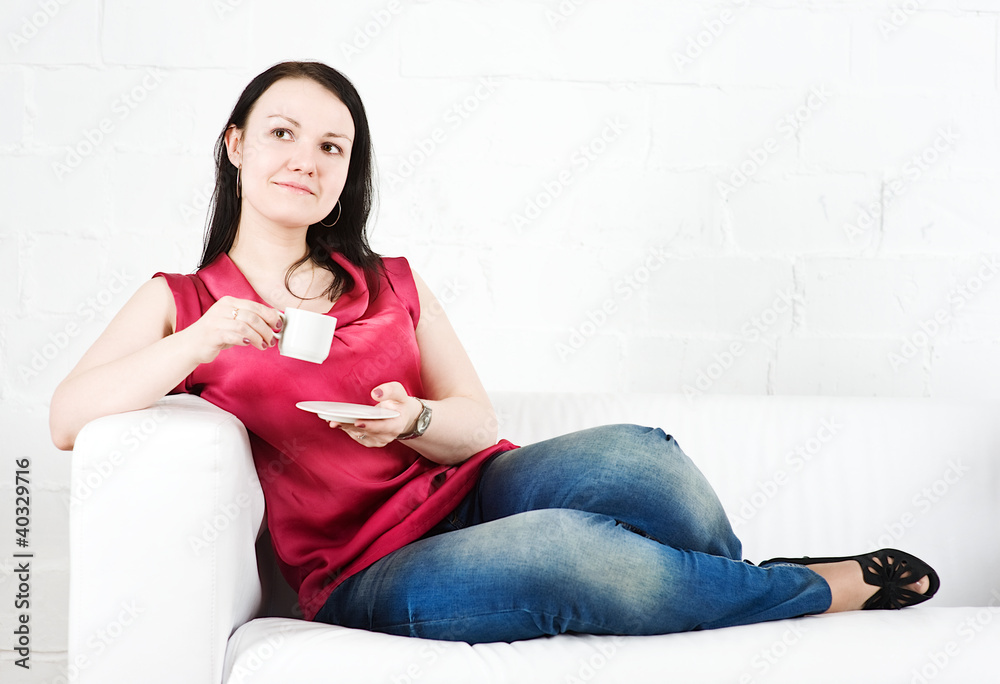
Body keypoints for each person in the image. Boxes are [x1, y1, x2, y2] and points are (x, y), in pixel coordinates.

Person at [50, 61, 939, 644]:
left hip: (468, 490)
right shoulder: (182, 301)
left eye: (333, 146)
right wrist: (202, 338)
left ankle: (726, 594)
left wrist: (412, 418)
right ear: (237, 144)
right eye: (282, 133)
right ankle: (808, 592)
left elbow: (477, 424)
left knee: (643, 457)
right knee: (574, 550)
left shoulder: (389, 278)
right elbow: (66, 418)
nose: (307, 160)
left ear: (346, 172)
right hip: (364, 570)